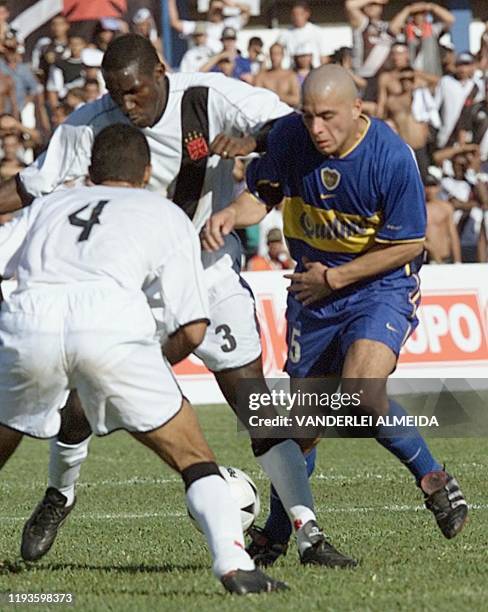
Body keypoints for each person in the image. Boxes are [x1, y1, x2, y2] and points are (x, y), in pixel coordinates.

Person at [0, 34, 354, 570]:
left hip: (205, 269)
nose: (126, 104)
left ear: (161, 72)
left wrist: (260, 142)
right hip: (128, 288)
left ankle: (307, 533)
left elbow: (289, 127)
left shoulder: (207, 99)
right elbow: (32, 187)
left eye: (135, 92)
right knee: (76, 408)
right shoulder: (86, 124)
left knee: (255, 404)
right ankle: (59, 495)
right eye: (115, 94)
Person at [0, 124, 285, 596]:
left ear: (90, 171)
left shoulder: (49, 205)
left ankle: (59, 493)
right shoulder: (165, 212)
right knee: (194, 458)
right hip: (112, 326)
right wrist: (144, 365)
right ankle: (235, 564)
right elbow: (193, 328)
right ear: (149, 172)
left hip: (32, 320)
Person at [202, 64, 468, 564]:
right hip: (313, 292)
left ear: (357, 109)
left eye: (327, 117)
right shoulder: (289, 138)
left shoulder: (390, 156)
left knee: (361, 397)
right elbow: (262, 197)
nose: (317, 129)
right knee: (304, 424)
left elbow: (411, 241)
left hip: (378, 285)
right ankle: (281, 535)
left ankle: (434, 478)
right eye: (308, 117)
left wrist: (339, 278)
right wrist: (228, 216)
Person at [169, 0, 250, 55]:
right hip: (206, 63)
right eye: (214, 10)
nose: (217, 13)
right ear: (209, 10)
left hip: (226, 63)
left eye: (219, 10)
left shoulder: (230, 23)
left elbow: (247, 10)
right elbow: (175, 23)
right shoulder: (200, 26)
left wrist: (230, 4)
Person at [279, 1, 330, 68]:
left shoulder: (317, 31)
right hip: (292, 71)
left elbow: (324, 56)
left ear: (307, 14)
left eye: (300, 14)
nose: (297, 17)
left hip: (313, 71)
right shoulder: (284, 34)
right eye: (294, 14)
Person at [424, 174, 461, 263]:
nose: (430, 190)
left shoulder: (446, 208)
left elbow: (453, 235)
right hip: (426, 259)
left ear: (438, 188)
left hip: (445, 257)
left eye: (433, 186)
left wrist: (457, 261)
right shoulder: (417, 209)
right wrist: (431, 250)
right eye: (427, 186)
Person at [255, 43, 300, 108]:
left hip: (286, 114)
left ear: (282, 55)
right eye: (272, 54)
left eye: (277, 54)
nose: (274, 57)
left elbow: (296, 100)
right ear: (269, 56)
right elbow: (257, 98)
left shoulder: (290, 75)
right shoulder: (262, 76)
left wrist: (274, 96)